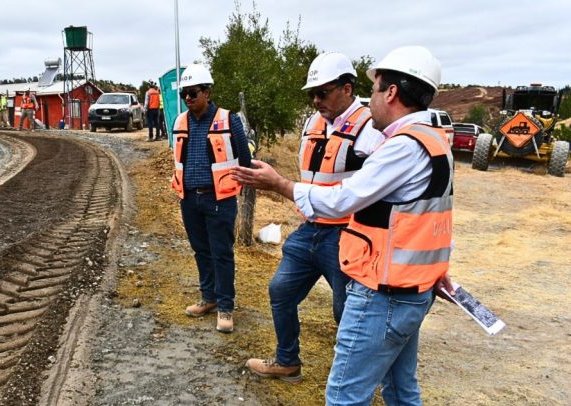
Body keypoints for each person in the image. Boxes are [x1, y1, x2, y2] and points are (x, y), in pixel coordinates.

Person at [232, 46, 456, 405]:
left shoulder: (399, 145)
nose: (317, 100)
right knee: (401, 390)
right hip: (402, 280)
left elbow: (343, 199)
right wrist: (435, 269)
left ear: (392, 92)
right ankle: (288, 359)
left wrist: (279, 184)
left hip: (380, 284)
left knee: (345, 395)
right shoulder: (432, 141)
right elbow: (429, 219)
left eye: (377, 89)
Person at [244, 52, 387, 384]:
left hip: (349, 235)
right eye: (312, 93)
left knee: (346, 312)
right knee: (281, 290)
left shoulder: (371, 129)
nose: (315, 99)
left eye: (323, 92)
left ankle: (362, 377)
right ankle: (287, 361)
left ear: (348, 88)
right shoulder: (313, 123)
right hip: (310, 228)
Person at [172, 64, 252, 333]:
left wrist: (234, 186)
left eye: (193, 93)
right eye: (185, 94)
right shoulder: (180, 121)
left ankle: (226, 306)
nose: (188, 98)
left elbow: (245, 158)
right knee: (201, 250)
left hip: (219, 198)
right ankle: (209, 298)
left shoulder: (229, 120)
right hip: (189, 199)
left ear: (207, 92)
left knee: (221, 253)